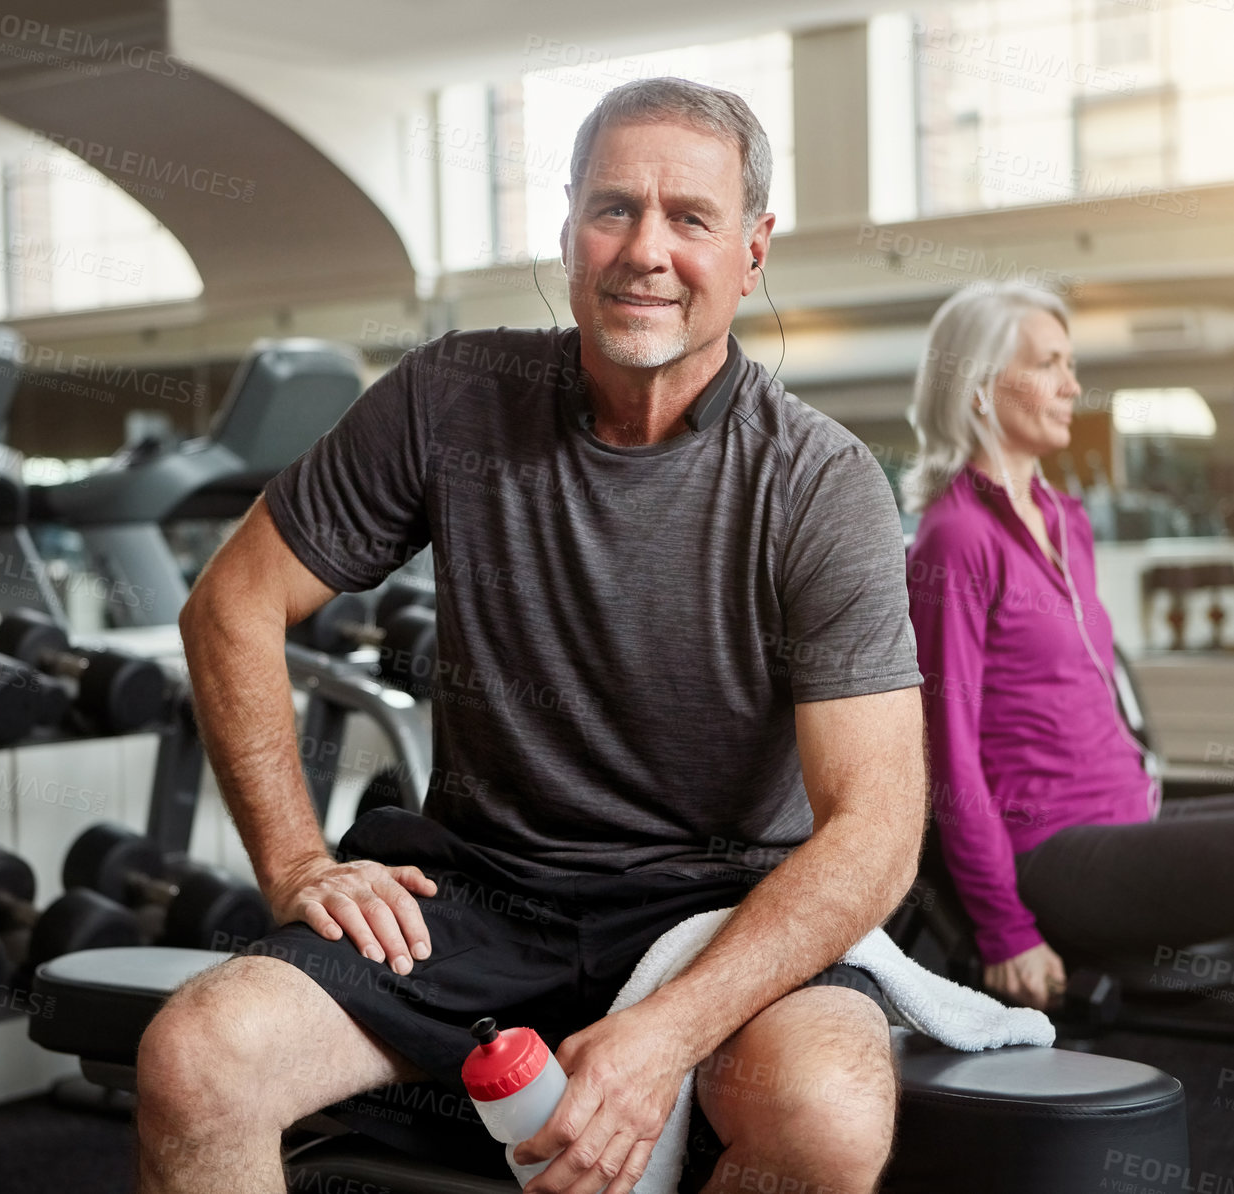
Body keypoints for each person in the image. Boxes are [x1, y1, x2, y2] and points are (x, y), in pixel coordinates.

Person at [139, 76, 927, 1194]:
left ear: (752, 251)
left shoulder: (818, 483)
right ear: (567, 229)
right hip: (478, 897)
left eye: (689, 218)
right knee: (196, 1058)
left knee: (828, 1115)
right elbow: (231, 601)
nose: (643, 249)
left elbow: (877, 829)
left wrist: (664, 1032)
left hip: (714, 912)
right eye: (613, 208)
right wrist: (296, 862)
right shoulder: (452, 396)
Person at [903, 283, 1234, 1014]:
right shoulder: (957, 539)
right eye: (1049, 363)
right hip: (1055, 852)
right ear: (982, 388)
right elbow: (946, 750)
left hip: (1130, 815)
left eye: (1069, 363)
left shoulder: (1065, 521)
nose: (1071, 386)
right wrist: (1003, 927)